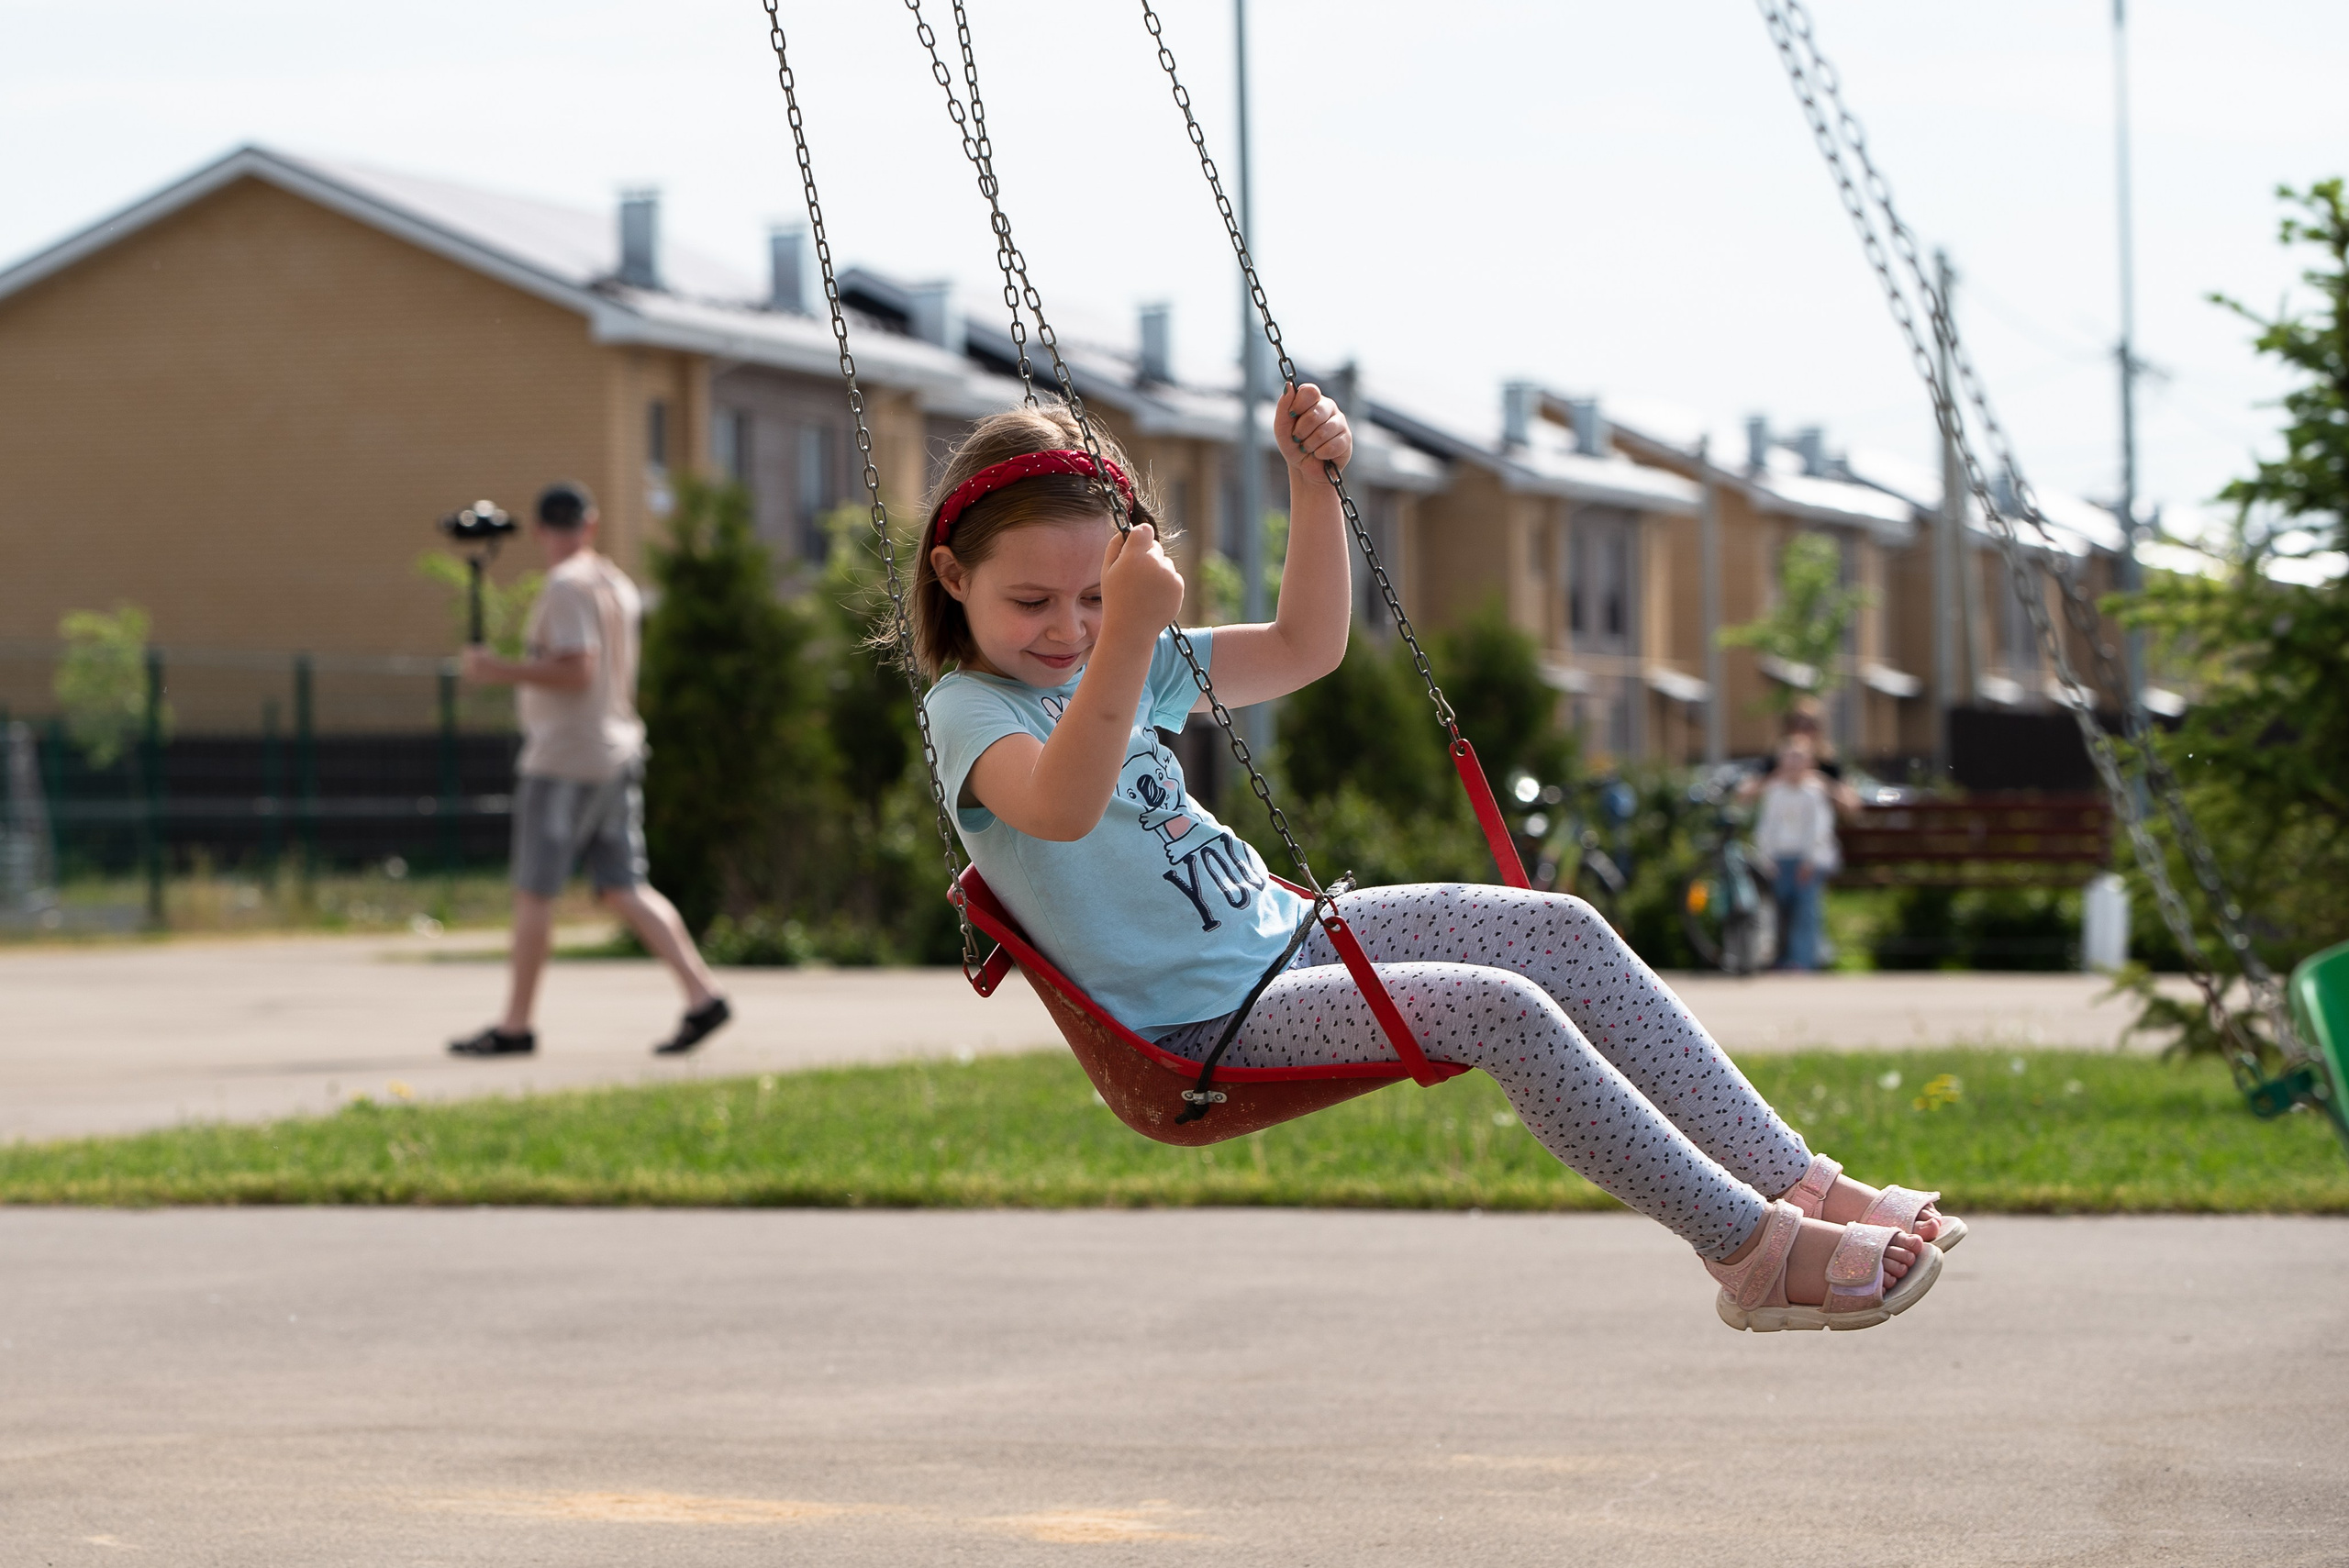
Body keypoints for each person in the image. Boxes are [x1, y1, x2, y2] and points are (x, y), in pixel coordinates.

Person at [916, 396, 1963, 1334]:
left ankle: (1805, 1186)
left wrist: (1311, 487)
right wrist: (1128, 637)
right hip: (1201, 1027)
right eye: (1032, 602)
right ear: (954, 578)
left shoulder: (1125, 658)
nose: (1070, 627)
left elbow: (1303, 645)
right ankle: (1752, 1248)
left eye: (1093, 598)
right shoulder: (969, 711)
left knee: (1557, 927)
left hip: (1295, 941)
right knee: (1497, 1005)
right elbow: (1061, 804)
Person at [449, 481, 729, 1059]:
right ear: (591, 523)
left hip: (564, 760)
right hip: (617, 750)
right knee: (625, 886)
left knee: (534, 892)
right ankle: (704, 995)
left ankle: (515, 1026)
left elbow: (578, 669)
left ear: (539, 531)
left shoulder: (566, 585)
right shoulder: (616, 584)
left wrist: (496, 670)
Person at [1751, 735, 1839, 972]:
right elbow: (1766, 827)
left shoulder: (1813, 793)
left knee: (1805, 913)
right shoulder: (1774, 792)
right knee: (1778, 913)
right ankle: (1780, 959)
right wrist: (1766, 858)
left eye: (1799, 760)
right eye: (1789, 760)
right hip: (1779, 860)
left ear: (1809, 764)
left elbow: (1819, 828)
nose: (1793, 766)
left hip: (1805, 862)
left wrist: (1810, 860)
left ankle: (1802, 961)